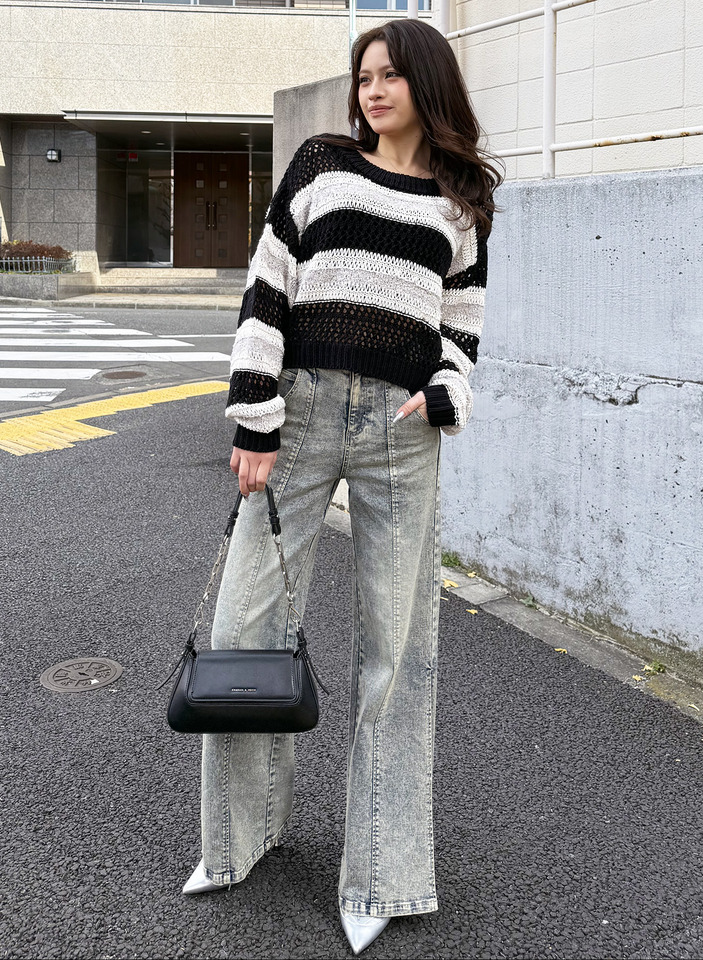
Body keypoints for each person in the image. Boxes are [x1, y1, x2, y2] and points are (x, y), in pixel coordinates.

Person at [182, 17, 501, 956]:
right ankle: (236, 841)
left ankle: (382, 874)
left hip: (401, 433)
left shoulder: (461, 202)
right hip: (304, 409)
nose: (374, 90)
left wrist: (445, 393)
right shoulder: (321, 165)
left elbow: (463, 327)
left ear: (427, 85)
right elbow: (267, 285)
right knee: (245, 626)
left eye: (392, 75)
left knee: (396, 653)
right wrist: (254, 413)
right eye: (364, 76)